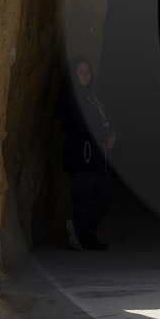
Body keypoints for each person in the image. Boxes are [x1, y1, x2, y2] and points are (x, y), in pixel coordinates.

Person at [62, 55, 115, 251]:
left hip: (97, 157)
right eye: (80, 72)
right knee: (85, 199)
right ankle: (83, 234)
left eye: (87, 71)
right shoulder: (71, 97)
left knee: (103, 193)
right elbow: (82, 125)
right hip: (81, 157)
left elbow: (106, 119)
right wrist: (106, 134)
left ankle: (83, 233)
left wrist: (113, 133)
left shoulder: (93, 94)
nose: (85, 75)